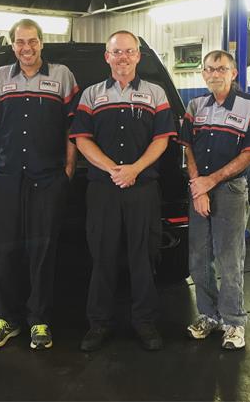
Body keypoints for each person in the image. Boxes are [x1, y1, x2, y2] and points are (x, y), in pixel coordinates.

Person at [69, 30, 177, 352]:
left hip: (142, 188)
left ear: (138, 56)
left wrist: (134, 169)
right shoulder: (91, 95)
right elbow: (81, 139)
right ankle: (99, 324)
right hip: (103, 188)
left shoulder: (155, 93)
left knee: (143, 256)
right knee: (102, 256)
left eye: (129, 51)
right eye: (117, 52)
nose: (123, 57)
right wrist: (112, 169)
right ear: (107, 57)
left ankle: (144, 322)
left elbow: (162, 139)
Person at [0, 18, 79, 351]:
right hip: (5, 178)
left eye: (33, 41)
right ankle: (6, 319)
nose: (27, 48)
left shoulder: (62, 76)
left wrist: (68, 169)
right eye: (20, 42)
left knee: (42, 251)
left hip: (47, 178)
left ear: (41, 43)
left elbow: (73, 127)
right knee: (6, 251)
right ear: (13, 45)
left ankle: (39, 320)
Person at [177, 49, 250, 350]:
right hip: (199, 189)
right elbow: (188, 148)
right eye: (210, 69)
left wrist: (209, 182)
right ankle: (209, 315)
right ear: (203, 73)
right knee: (198, 258)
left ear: (233, 73)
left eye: (221, 68)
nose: (215, 74)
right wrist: (198, 186)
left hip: (230, 190)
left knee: (229, 259)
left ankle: (233, 321)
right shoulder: (195, 105)